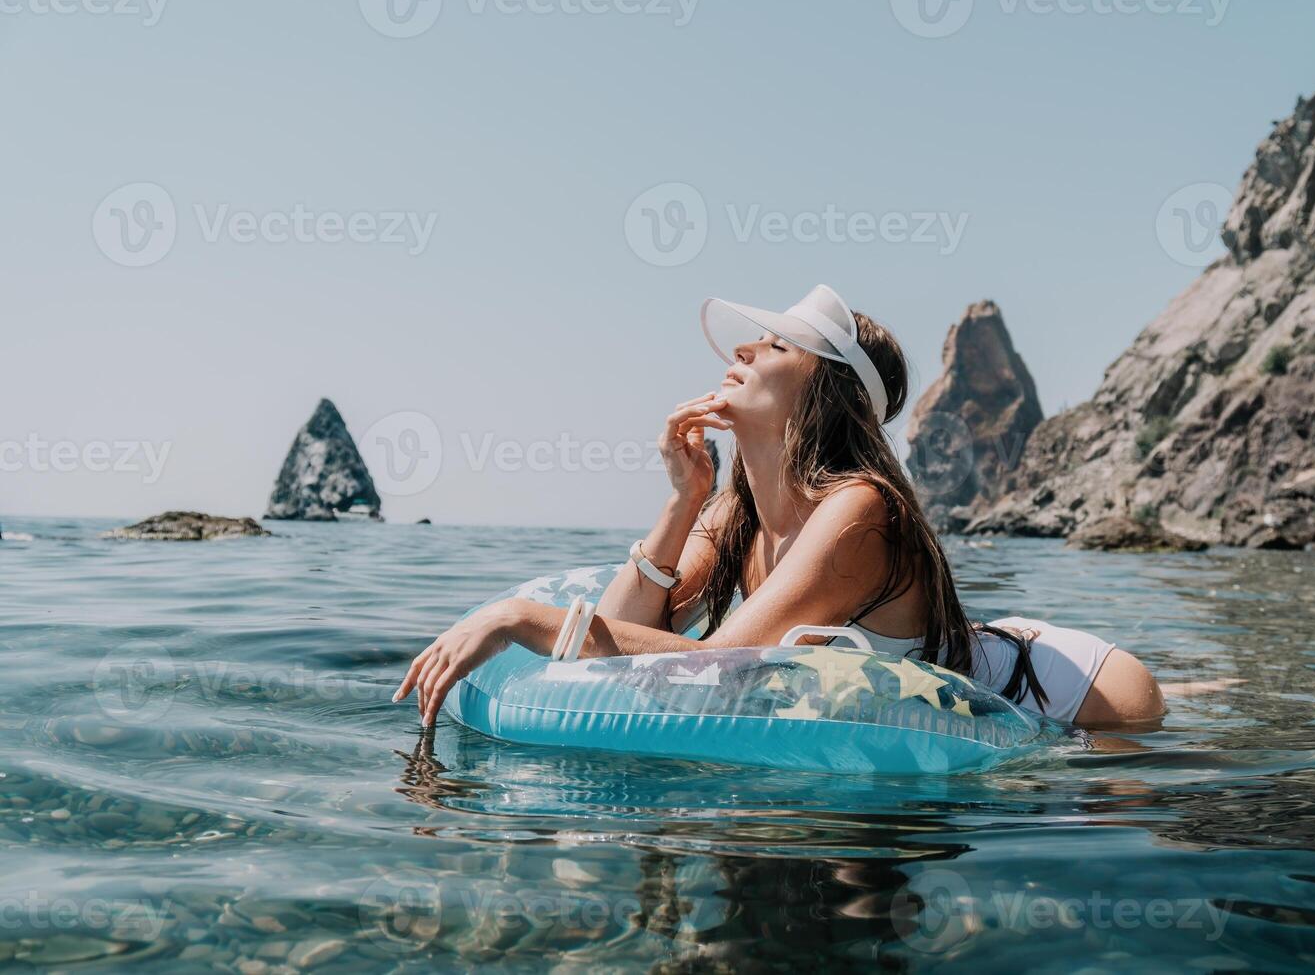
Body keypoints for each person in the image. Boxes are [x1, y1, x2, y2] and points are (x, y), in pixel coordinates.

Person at [395, 284, 1165, 730]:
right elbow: (641, 629)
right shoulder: (731, 513)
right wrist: (682, 499)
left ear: (823, 388)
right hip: (943, 651)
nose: (740, 353)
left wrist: (521, 619)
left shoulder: (860, 509)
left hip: (1080, 699)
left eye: (773, 347)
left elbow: (720, 666)